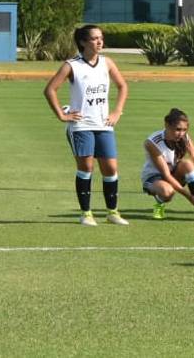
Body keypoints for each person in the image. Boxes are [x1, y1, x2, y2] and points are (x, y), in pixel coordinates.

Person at [44, 24, 130, 226]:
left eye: (101, 37)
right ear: (83, 42)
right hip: (81, 125)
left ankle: (112, 212)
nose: (100, 41)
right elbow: (50, 90)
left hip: (104, 124)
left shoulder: (107, 63)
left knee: (110, 167)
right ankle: (86, 213)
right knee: (87, 167)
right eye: (94, 38)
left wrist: (117, 111)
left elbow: (123, 85)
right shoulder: (72, 65)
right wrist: (61, 115)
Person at [141, 108, 194, 220]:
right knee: (167, 192)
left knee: (187, 164)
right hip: (154, 177)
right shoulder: (152, 142)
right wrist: (189, 197)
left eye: (184, 130)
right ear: (166, 125)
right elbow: (166, 175)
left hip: (173, 173)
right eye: (178, 129)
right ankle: (159, 203)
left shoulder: (185, 138)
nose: (181, 134)